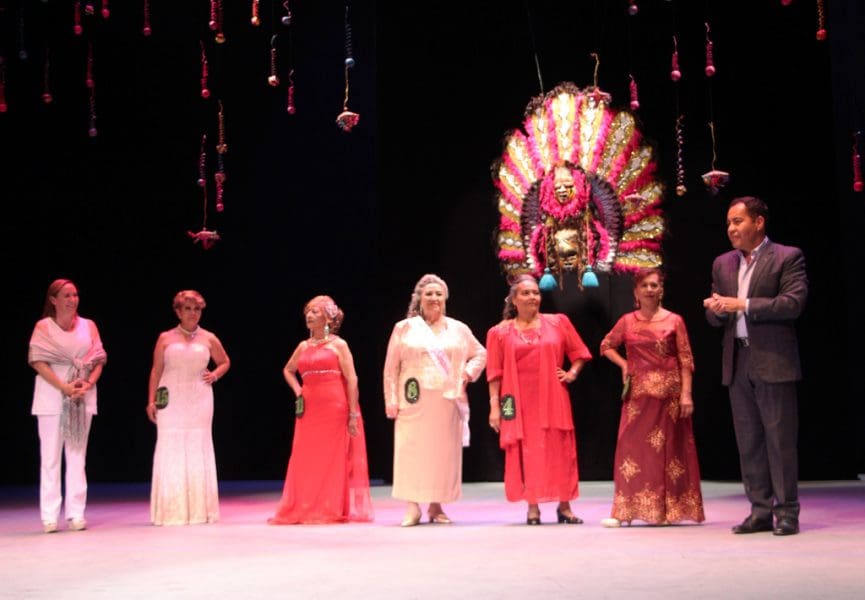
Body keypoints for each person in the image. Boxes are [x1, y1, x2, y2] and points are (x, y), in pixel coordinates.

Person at [703, 196, 808, 536]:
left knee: (779, 439)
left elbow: (792, 303)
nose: (731, 229)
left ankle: (787, 511)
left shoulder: (787, 257)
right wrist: (717, 310)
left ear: (758, 222)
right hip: (738, 359)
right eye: (728, 223)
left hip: (773, 360)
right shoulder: (723, 263)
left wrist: (743, 304)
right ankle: (760, 510)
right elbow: (715, 316)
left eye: (738, 221)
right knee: (749, 441)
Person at [600, 268, 705, 527]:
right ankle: (625, 510)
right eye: (644, 286)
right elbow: (606, 346)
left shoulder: (674, 321)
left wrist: (686, 394)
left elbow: (686, 360)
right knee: (631, 449)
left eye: (654, 285)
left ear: (661, 290)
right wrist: (624, 364)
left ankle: (666, 511)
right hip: (637, 398)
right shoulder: (627, 321)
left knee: (668, 453)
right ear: (635, 292)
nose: (649, 290)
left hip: (669, 398)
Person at [486, 274, 591, 525]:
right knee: (527, 450)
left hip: (553, 396)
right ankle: (532, 507)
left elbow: (579, 352)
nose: (532, 297)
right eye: (526, 293)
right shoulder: (499, 332)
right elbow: (494, 373)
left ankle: (564, 507)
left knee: (559, 449)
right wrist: (494, 407)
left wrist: (572, 373)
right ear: (514, 300)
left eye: (535, 292)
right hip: (517, 400)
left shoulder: (558, 322)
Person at [383, 274, 487, 526]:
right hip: (412, 400)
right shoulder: (404, 328)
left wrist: (466, 374)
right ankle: (412, 507)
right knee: (410, 452)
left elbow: (480, 354)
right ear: (419, 298)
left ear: (445, 298)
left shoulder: (458, 329)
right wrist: (391, 399)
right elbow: (390, 368)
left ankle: (436, 505)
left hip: (446, 400)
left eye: (438, 293)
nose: (434, 298)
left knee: (441, 455)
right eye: (428, 293)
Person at [270, 295, 373, 524]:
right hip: (309, 409)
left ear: (328, 317)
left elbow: (352, 379)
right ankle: (305, 506)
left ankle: (329, 508)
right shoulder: (303, 346)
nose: (309, 315)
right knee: (305, 457)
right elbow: (288, 370)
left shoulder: (339, 345)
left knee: (332, 459)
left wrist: (353, 413)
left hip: (335, 407)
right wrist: (298, 390)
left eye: (315, 311)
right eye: (308, 311)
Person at [28, 279, 107, 533]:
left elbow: (99, 359)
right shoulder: (44, 327)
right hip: (52, 395)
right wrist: (63, 387)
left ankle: (76, 513)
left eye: (75, 295)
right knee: (50, 457)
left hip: (82, 395)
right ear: (53, 300)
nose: (73, 300)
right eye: (66, 295)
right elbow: (38, 361)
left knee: (77, 456)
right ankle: (49, 515)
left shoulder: (88, 325)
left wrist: (88, 383)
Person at [147, 290, 230, 526]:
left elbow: (225, 361)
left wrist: (214, 375)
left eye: (197, 309)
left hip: (199, 398)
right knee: (170, 445)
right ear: (178, 312)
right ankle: (172, 510)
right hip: (171, 397)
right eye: (188, 309)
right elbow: (156, 370)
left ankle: (198, 511)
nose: (193, 313)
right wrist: (151, 401)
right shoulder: (165, 338)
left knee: (197, 445)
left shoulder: (208, 338)